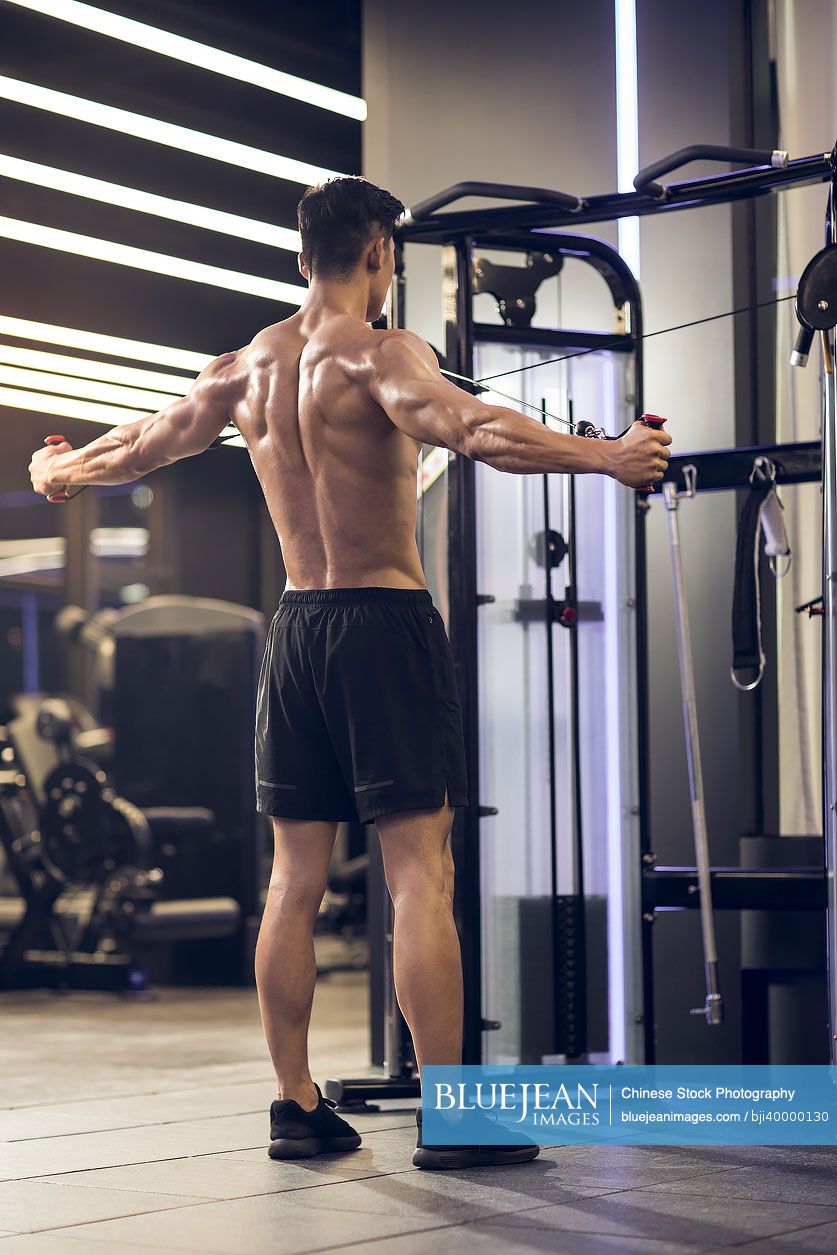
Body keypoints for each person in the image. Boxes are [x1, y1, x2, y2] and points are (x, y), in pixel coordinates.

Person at [29, 175, 672, 1171]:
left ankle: (295, 1101)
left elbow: (145, 444)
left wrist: (62, 472)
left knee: (292, 874)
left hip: (297, 632)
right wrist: (610, 456)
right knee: (421, 872)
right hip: (381, 625)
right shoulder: (381, 352)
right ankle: (455, 1114)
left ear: (302, 258)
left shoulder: (241, 370)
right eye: (392, 261)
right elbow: (472, 429)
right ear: (377, 252)